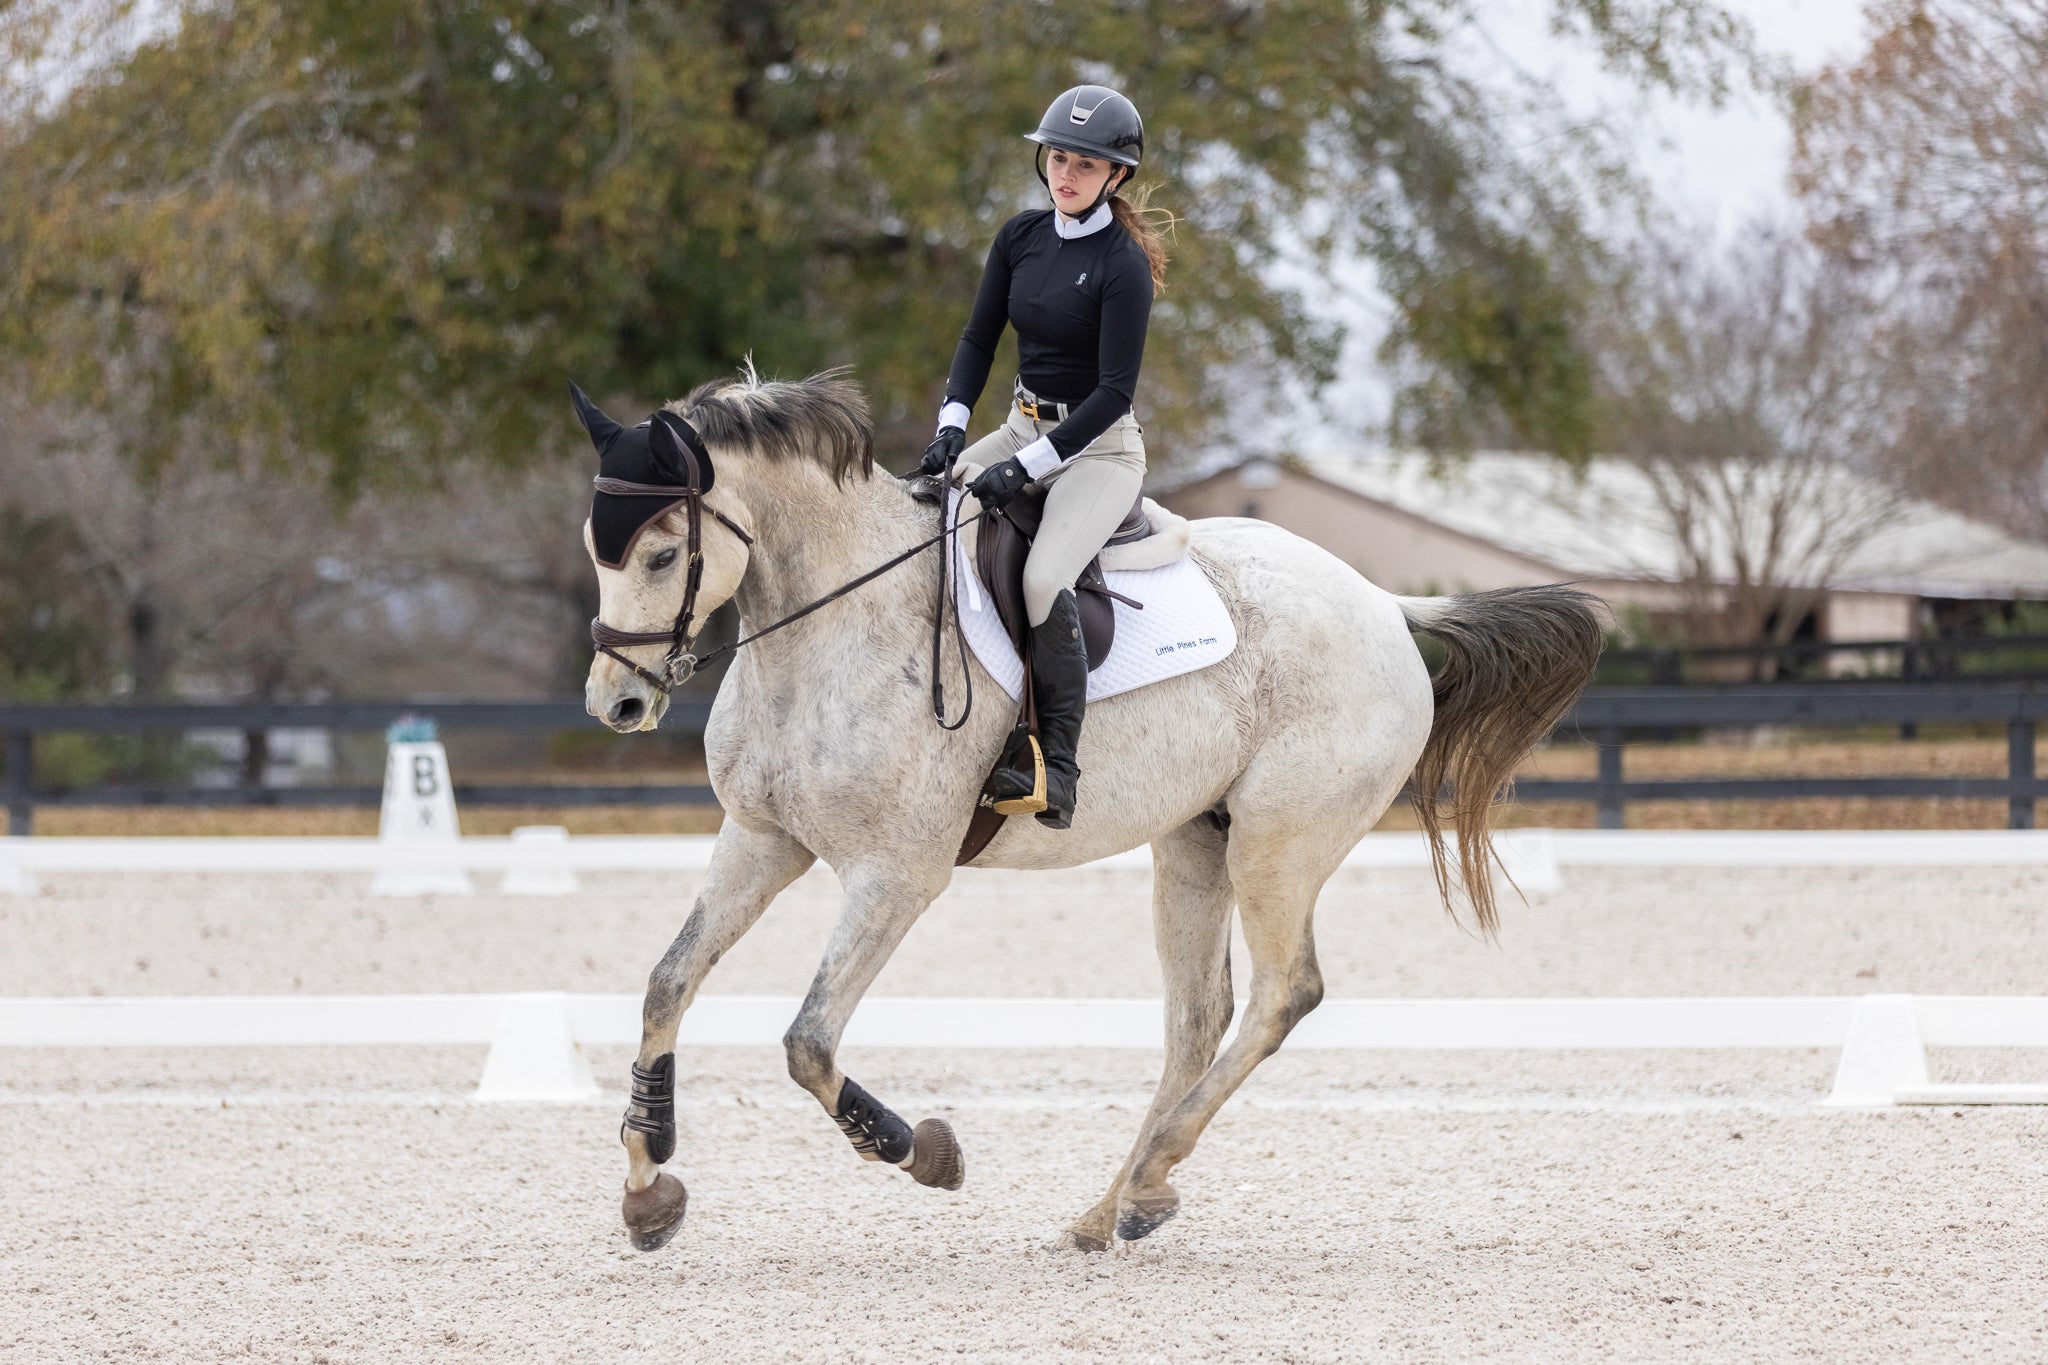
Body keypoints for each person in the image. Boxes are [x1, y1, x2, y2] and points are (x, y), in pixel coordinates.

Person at [912, 84, 1169, 830]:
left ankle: (1056, 765)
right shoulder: (1019, 237)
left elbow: (1114, 394)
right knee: (918, 511)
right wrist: (953, 425)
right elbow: (977, 338)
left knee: (1044, 575)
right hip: (1022, 425)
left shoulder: (1121, 266)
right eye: (1058, 157)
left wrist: (1023, 470)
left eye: (1086, 165)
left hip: (1097, 447)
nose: (1067, 174)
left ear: (1115, 176)